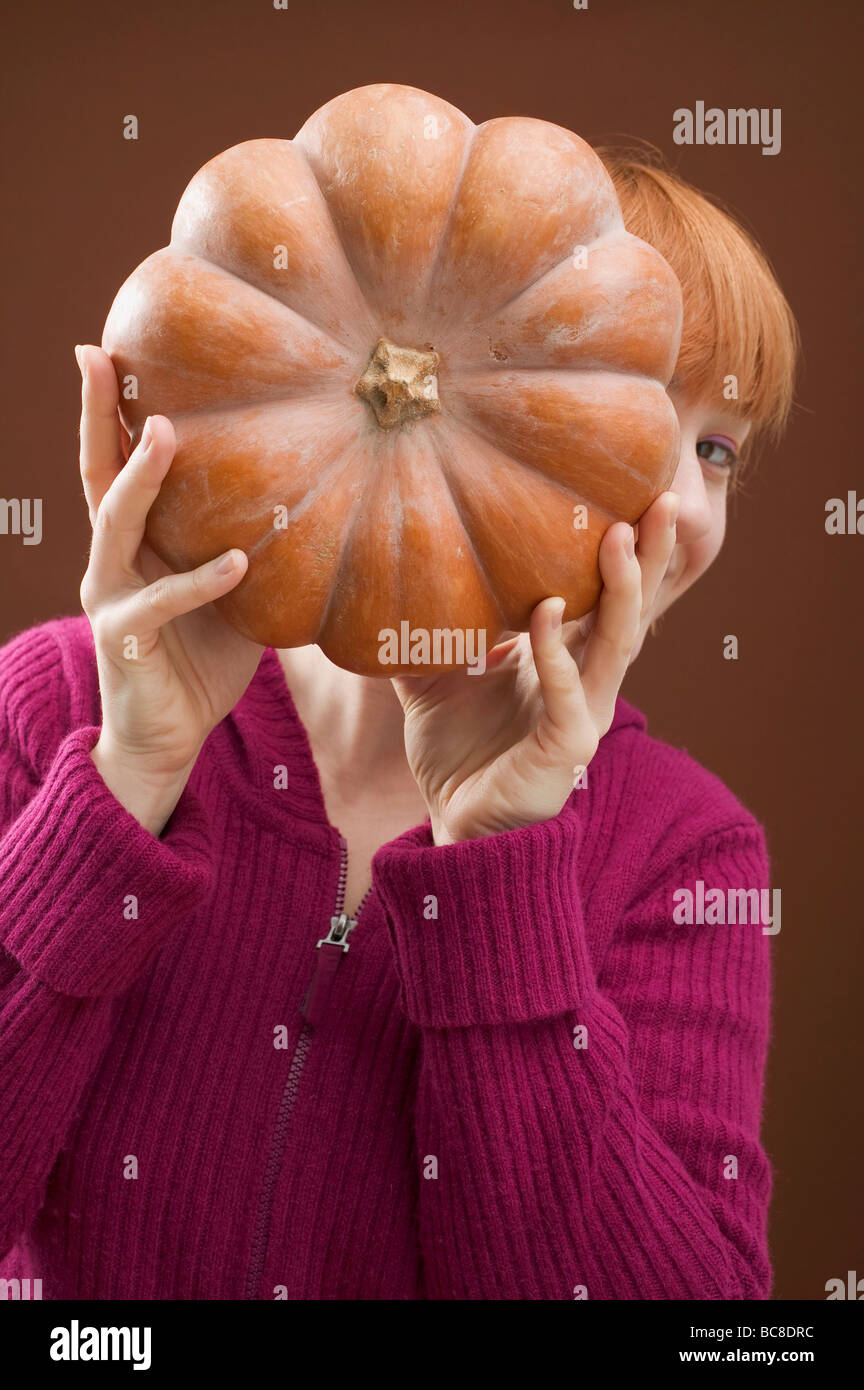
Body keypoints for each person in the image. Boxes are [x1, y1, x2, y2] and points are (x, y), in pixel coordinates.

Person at [0, 148, 798, 1300]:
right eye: (620, 412)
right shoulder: (58, 704)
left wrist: (501, 872)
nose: (679, 504)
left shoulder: (689, 851)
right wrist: (125, 781)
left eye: (715, 449)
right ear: (450, 393)